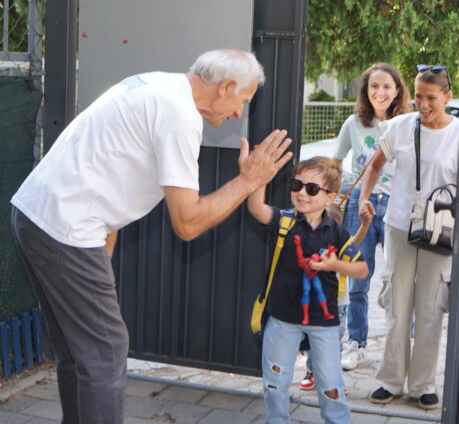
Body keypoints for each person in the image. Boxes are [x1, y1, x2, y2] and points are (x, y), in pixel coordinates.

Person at [10, 49, 293, 424]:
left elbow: (108, 167)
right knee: (106, 351)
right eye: (242, 101)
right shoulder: (180, 117)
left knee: (79, 350)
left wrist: (102, 250)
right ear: (226, 87)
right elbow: (187, 223)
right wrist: (248, 180)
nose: (240, 114)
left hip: (36, 214)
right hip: (66, 229)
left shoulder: (157, 84)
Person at [361, 64, 458, 410]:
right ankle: (390, 381)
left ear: (447, 97)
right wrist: (363, 199)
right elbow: (374, 166)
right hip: (401, 225)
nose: (423, 103)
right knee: (397, 305)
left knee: (430, 307)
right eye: (418, 95)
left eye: (430, 97)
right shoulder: (401, 126)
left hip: (439, 230)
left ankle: (423, 385)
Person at [247, 157, 368, 424]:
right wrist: (258, 177)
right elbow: (256, 208)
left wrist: (336, 264)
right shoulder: (285, 221)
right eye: (297, 185)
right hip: (282, 319)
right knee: (274, 382)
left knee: (330, 385)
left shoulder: (337, 233)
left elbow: (362, 270)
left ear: (330, 198)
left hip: (323, 323)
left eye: (312, 189)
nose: (301, 192)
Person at [333, 63, 411, 371]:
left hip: (397, 205)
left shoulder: (407, 124)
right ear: (366, 91)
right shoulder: (354, 123)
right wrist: (336, 196)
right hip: (359, 204)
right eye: (374, 86)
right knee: (357, 280)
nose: (380, 92)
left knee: (399, 279)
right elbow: (336, 162)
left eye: (387, 86)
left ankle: (403, 344)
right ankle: (357, 344)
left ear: (397, 91)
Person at [299, 202, 374, 391]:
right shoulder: (310, 241)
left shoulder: (341, 244)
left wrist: (364, 225)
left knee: (333, 344)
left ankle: (333, 379)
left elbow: (356, 240)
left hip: (337, 306)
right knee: (311, 342)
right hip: (315, 304)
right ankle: (312, 371)